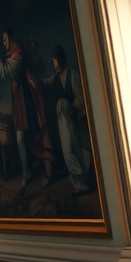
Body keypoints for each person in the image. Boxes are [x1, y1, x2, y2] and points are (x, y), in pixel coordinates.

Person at [0, 26, 55, 191]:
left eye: (6, 40)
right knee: (21, 137)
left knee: (34, 132)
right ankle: (26, 174)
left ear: (12, 38)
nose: (5, 43)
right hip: (18, 99)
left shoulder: (18, 53)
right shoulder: (10, 56)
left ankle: (45, 172)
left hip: (27, 98)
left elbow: (12, 73)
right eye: (4, 41)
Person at [47, 45, 92, 194]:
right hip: (62, 120)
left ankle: (81, 182)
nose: (54, 64)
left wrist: (69, 106)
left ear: (61, 59)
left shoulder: (73, 74)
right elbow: (46, 82)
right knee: (68, 151)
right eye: (52, 61)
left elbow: (80, 98)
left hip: (73, 118)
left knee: (73, 150)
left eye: (55, 60)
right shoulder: (56, 79)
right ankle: (78, 182)